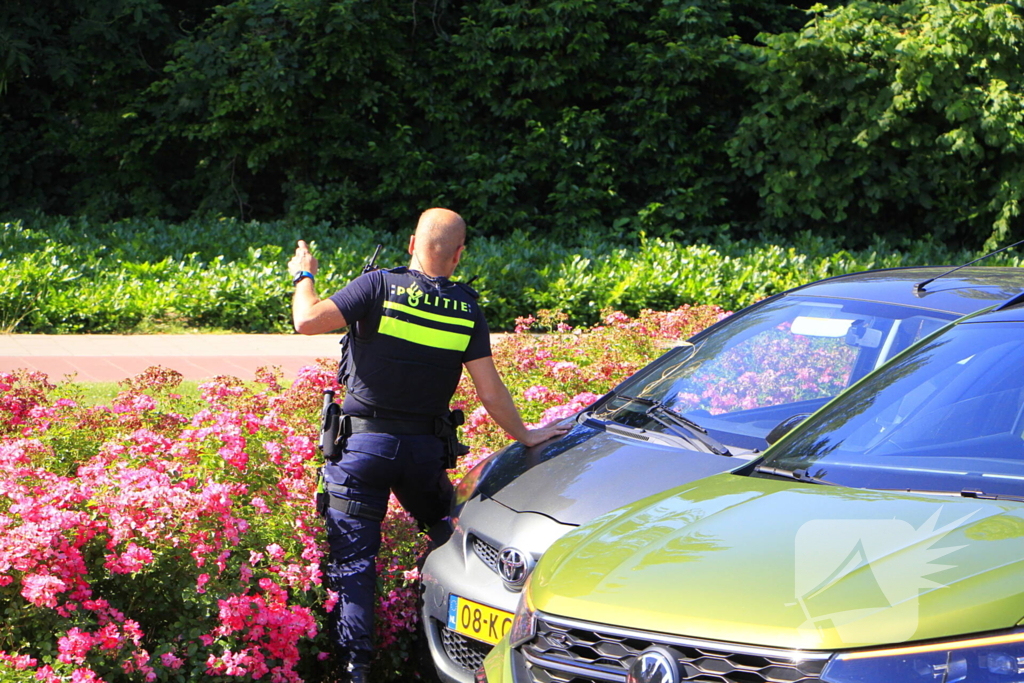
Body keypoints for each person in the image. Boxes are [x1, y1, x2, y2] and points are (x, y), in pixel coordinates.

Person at [288, 208, 569, 682]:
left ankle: (357, 670)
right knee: (459, 542)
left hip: (363, 451)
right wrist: (527, 435)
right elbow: (490, 391)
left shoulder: (377, 285)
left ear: (410, 242)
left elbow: (307, 320)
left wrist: (304, 274)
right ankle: (498, 647)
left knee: (355, 565)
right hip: (423, 455)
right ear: (460, 255)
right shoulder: (466, 308)